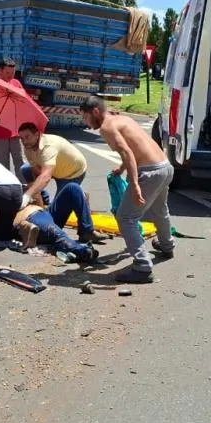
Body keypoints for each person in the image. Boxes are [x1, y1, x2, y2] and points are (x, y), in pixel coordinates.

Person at [79, 95, 174, 284]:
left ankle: (142, 267)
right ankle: (166, 245)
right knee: (159, 210)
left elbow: (128, 152)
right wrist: (122, 168)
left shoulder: (107, 127)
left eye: (85, 117)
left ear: (95, 111)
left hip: (149, 173)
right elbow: (135, 146)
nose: (85, 122)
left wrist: (135, 184)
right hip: (165, 166)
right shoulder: (123, 119)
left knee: (126, 217)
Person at [18, 123, 88, 205]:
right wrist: (36, 194)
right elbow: (35, 171)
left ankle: (82, 196)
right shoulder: (28, 147)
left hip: (72, 173)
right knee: (25, 169)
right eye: (21, 138)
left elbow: (46, 177)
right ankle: (44, 199)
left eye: (27, 137)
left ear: (37, 135)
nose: (24, 142)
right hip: (53, 168)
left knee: (57, 209)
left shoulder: (49, 146)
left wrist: (27, 195)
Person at [0, 58, 26, 171]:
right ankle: (4, 187)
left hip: (15, 132)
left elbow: (24, 102)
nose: (10, 76)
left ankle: (24, 187)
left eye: (13, 73)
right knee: (2, 165)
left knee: (21, 163)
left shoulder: (16, 83)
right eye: (7, 73)